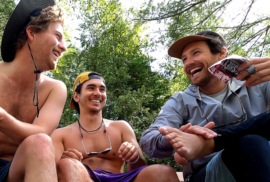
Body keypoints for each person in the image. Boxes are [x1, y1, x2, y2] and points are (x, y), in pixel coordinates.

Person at [140, 31, 270, 181]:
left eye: (196, 53)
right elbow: (148, 140)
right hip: (207, 174)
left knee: (254, 143)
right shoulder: (181, 100)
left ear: (222, 53)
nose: (188, 63)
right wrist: (174, 137)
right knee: (251, 143)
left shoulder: (256, 82)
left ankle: (212, 142)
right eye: (184, 59)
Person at [51, 71, 180, 182]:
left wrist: (134, 157)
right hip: (86, 178)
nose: (98, 93)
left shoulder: (121, 127)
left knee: (163, 172)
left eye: (102, 89)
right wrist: (65, 162)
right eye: (91, 88)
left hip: (121, 178)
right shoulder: (60, 134)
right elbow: (52, 174)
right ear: (76, 96)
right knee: (67, 164)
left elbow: (138, 168)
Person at [0, 0, 67, 181]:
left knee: (40, 142)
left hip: (16, 170)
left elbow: (41, 133)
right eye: (58, 36)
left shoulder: (56, 88)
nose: (64, 47)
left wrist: (2, 117)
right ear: (31, 33)